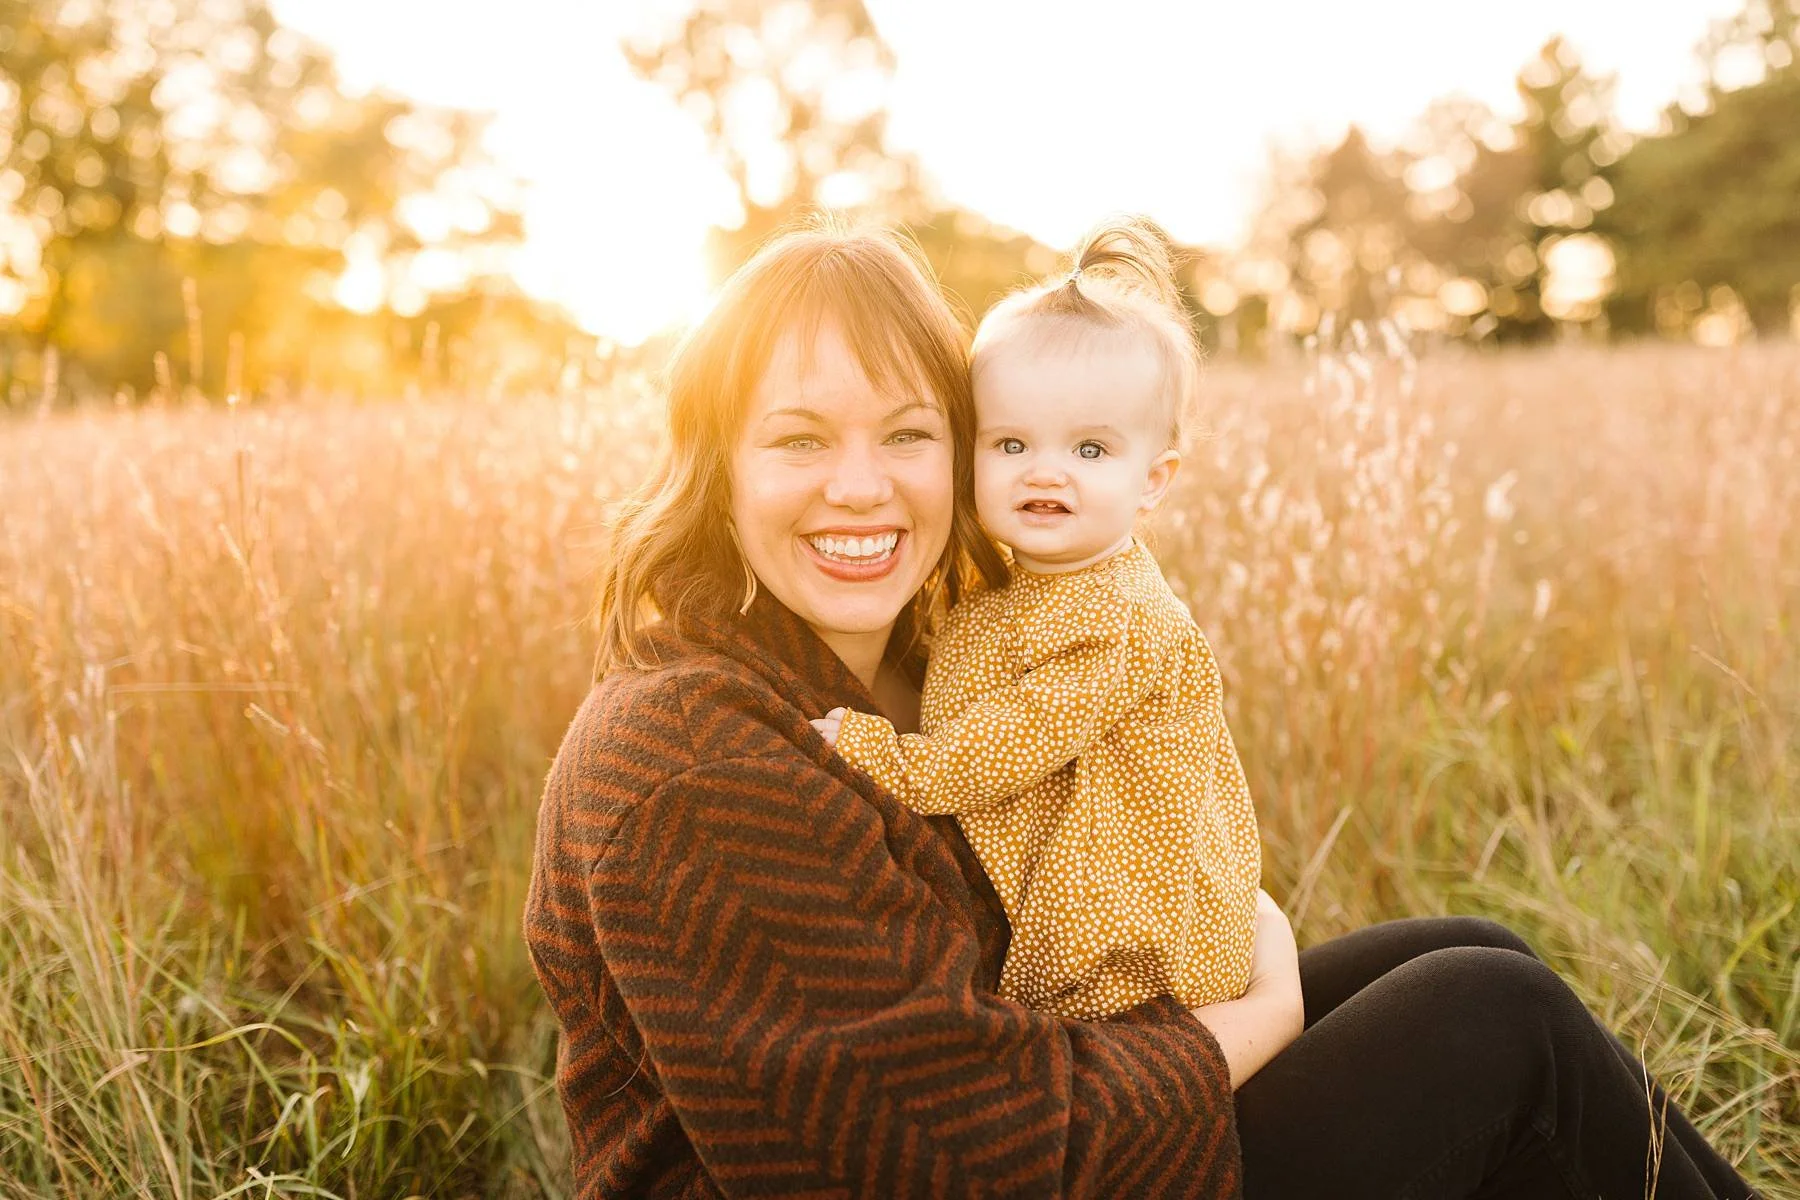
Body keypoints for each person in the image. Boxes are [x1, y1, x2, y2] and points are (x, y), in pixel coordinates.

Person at [522, 220, 1758, 1198]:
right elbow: (968, 1166)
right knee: (1498, 1029)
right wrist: (1254, 1017)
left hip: (1027, 1098)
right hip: (991, 1168)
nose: (862, 486)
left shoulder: (910, 656)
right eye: (797, 440)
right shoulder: (684, 758)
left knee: (1477, 951)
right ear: (715, 462)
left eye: (907, 433)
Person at [809, 218, 1260, 1023]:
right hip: (1085, 923)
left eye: (1090, 451)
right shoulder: (1017, 583)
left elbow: (1005, 742)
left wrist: (883, 756)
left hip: (1134, 956)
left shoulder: (1117, 622)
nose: (1045, 471)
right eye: (1011, 443)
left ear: (1153, 481)